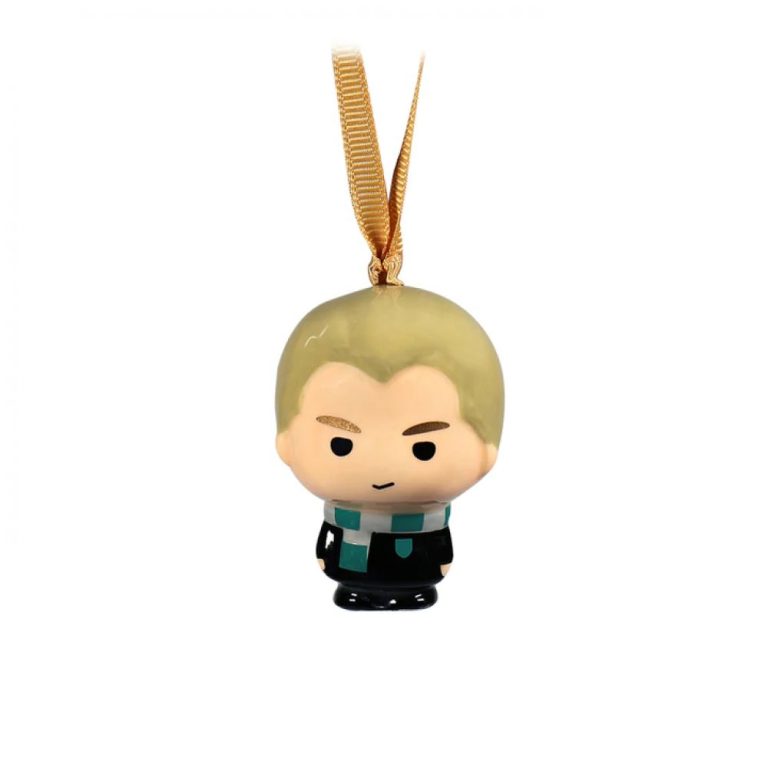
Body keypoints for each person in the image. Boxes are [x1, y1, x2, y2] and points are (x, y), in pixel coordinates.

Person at [275, 284, 504, 609]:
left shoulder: (429, 522)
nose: (381, 464)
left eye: (423, 448)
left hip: (419, 565)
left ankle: (413, 591)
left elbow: (440, 547)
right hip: (349, 567)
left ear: (485, 452)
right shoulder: (342, 518)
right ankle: (355, 590)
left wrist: (441, 560)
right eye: (341, 444)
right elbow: (329, 541)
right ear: (287, 442)